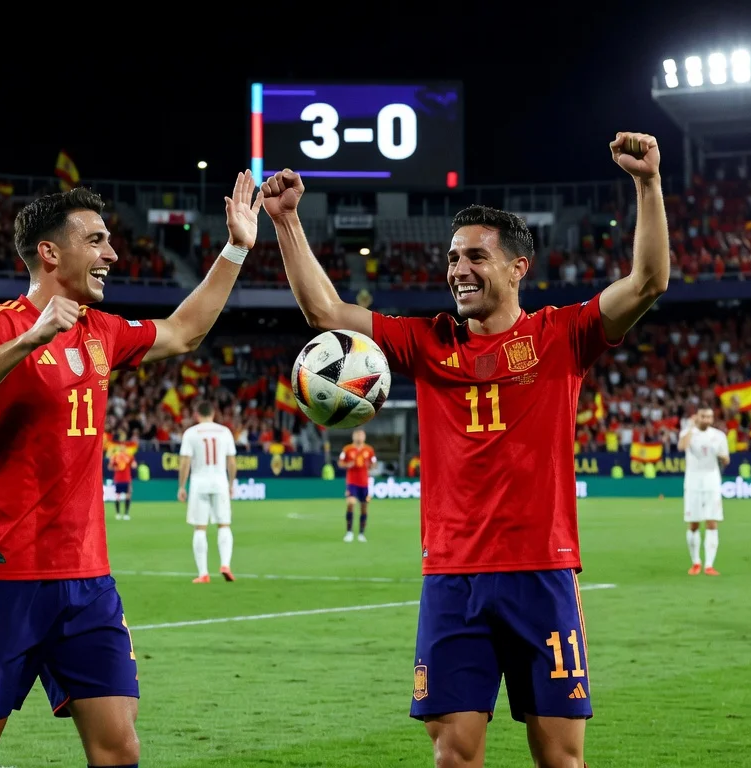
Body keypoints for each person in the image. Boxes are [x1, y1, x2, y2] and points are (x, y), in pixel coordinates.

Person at [262, 132, 668, 768]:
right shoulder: (427, 342)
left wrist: (646, 184)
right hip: (453, 575)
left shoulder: (561, 335)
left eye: (475, 257)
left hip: (542, 571)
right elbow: (324, 311)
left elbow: (648, 281)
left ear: (516, 267)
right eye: (453, 258)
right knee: (455, 753)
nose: (458, 270)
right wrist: (286, 221)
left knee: (560, 757)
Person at [0, 174, 262, 768]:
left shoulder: (102, 329)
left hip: (87, 581)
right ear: (51, 253)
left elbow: (183, 332)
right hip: (5, 574)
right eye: (97, 240)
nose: (110, 254)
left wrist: (235, 248)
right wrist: (31, 337)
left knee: (118, 746)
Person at [177, 401, 238, 583]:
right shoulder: (224, 432)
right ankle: (225, 564)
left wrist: (181, 486)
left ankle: (203, 573)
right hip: (219, 482)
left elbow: (185, 462)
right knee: (224, 525)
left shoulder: (191, 433)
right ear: (213, 414)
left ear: (197, 415)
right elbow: (232, 462)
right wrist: (231, 483)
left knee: (200, 528)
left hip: (199, 483)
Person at [678, 407, 729, 575]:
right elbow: (681, 446)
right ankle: (695, 563)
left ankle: (709, 564)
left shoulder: (719, 435)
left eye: (709, 416)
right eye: (703, 416)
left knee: (712, 522)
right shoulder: (688, 433)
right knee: (693, 523)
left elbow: (726, 459)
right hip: (692, 481)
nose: (707, 419)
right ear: (697, 417)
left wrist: (722, 457)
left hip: (712, 481)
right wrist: (691, 428)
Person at [338, 428, 377, 542]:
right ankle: (349, 532)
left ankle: (361, 533)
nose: (359, 437)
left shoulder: (369, 450)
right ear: (353, 436)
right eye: (357, 435)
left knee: (364, 507)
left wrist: (370, 466)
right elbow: (340, 462)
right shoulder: (347, 449)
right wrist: (347, 464)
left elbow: (374, 463)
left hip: (364, 482)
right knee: (350, 503)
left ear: (364, 437)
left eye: (361, 435)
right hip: (352, 482)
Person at [109, 446, 137, 521]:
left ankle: (118, 514)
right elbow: (134, 465)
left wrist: (116, 467)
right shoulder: (129, 456)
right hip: (126, 479)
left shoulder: (115, 456)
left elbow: (110, 467)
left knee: (118, 496)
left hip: (118, 479)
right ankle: (126, 514)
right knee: (128, 496)